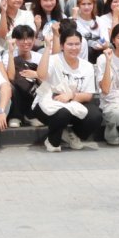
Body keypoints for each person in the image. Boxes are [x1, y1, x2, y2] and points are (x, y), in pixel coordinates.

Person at [33, 22, 99, 152]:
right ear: (62, 45)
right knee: (63, 113)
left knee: (95, 116)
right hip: (47, 103)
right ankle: (52, 140)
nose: (74, 48)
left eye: (77, 44)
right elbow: (40, 75)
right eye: (70, 44)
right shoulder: (53, 60)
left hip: (73, 103)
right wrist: (47, 48)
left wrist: (71, 95)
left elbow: (88, 95)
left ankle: (73, 134)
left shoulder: (87, 66)